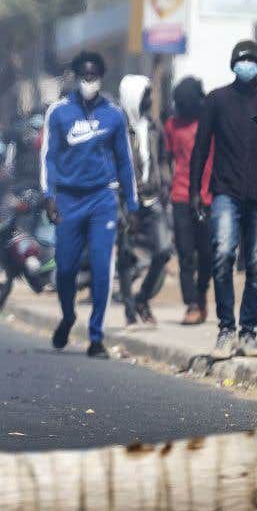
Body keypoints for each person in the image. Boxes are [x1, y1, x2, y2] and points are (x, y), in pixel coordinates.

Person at [189, 40, 257, 359]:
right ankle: (225, 329)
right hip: (225, 193)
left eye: (251, 59)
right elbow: (201, 148)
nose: (245, 64)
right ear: (232, 64)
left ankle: (248, 331)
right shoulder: (217, 100)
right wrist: (195, 190)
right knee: (222, 257)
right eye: (240, 59)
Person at [44, 51, 138, 359]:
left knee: (101, 268)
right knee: (66, 267)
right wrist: (50, 196)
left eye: (94, 76)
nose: (89, 82)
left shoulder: (113, 114)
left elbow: (125, 161)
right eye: (84, 76)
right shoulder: (58, 112)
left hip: (102, 199)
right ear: (75, 76)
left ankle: (96, 336)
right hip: (68, 200)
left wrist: (132, 204)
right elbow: (49, 157)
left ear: (102, 77)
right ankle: (68, 315)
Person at [117, 74, 167, 327]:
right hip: (126, 202)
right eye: (146, 95)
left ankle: (142, 298)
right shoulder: (118, 129)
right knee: (125, 256)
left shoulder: (154, 126)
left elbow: (163, 158)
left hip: (153, 199)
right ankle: (129, 310)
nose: (150, 100)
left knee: (163, 251)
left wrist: (165, 183)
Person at [164, 78, 214, 325]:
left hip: (207, 196)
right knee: (185, 253)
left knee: (206, 253)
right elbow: (168, 157)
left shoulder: (209, 122)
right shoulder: (173, 125)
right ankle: (191, 303)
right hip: (181, 196)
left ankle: (202, 293)